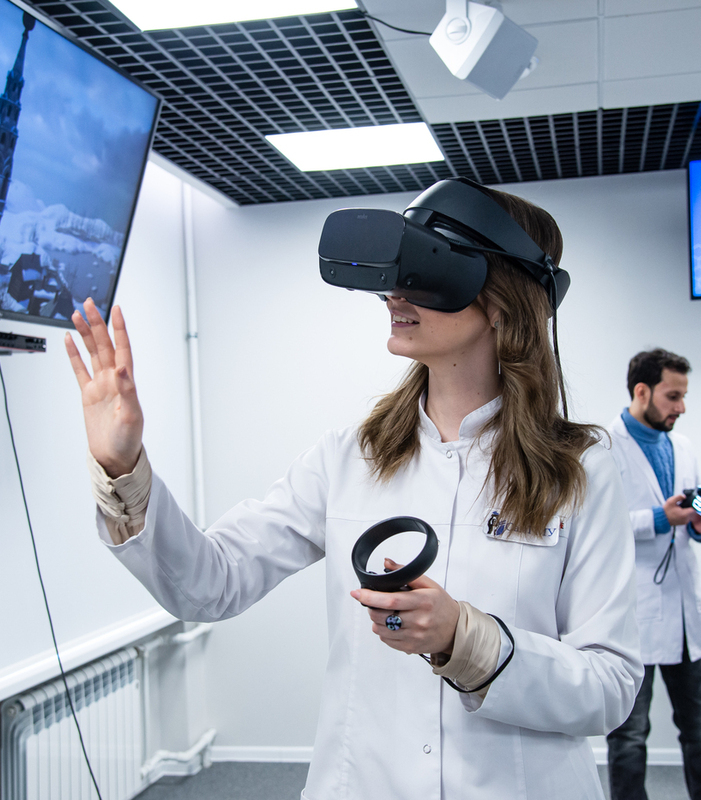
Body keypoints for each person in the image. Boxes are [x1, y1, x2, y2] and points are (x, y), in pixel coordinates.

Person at [64, 181, 643, 800]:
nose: (394, 294)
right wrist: (122, 467)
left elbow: (610, 687)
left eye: (424, 270)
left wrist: (467, 640)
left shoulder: (581, 470)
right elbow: (211, 583)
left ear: (501, 301)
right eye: (396, 273)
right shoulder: (348, 458)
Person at [605, 349, 701, 800]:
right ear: (642, 391)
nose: (682, 407)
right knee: (629, 736)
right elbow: (595, 528)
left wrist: (699, 526)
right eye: (673, 397)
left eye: (683, 396)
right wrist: (659, 518)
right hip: (634, 613)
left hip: (687, 611)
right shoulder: (603, 447)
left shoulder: (683, 446)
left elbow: (687, 516)